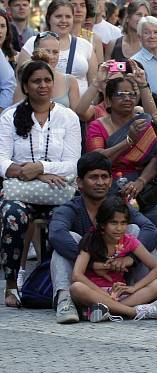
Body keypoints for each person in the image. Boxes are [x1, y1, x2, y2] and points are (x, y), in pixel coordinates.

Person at [84, 66, 157, 301]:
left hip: (143, 186)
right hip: (109, 187)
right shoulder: (98, 126)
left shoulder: (144, 123)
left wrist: (139, 181)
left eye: (131, 94)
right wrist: (128, 141)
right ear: (107, 99)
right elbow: (97, 160)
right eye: (120, 94)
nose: (127, 99)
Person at [0, 59, 82, 308]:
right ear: (25, 86)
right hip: (22, 191)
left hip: (58, 191)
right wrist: (36, 174)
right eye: (36, 81)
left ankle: (56, 284)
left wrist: (43, 168)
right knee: (12, 214)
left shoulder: (67, 117)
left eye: (47, 80)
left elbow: (73, 163)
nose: (43, 86)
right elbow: (2, 160)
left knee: (63, 221)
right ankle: (13, 284)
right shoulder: (10, 116)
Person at [49, 152, 157, 324]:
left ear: (110, 181)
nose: (100, 182)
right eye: (93, 177)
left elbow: (151, 230)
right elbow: (56, 234)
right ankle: (66, 301)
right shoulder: (70, 208)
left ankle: (112, 307)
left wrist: (130, 259)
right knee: (69, 238)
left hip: (122, 283)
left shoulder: (117, 207)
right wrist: (94, 262)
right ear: (80, 182)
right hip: (87, 282)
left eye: (104, 177)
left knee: (134, 229)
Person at [69, 196, 157, 322]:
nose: (119, 228)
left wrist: (134, 288)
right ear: (103, 224)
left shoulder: (129, 241)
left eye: (123, 223)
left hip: (120, 293)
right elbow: (77, 275)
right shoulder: (91, 240)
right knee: (76, 287)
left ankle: (107, 311)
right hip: (95, 293)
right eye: (114, 223)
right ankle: (133, 311)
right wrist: (103, 295)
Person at [18, 0, 97, 94]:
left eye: (68, 17)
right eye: (58, 16)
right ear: (48, 18)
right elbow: (21, 82)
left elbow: (94, 84)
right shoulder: (33, 42)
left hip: (80, 107)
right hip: (43, 105)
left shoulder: (86, 46)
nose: (63, 20)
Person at [14, 33, 80, 111]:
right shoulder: (26, 78)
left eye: (55, 52)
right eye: (47, 52)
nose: (51, 56)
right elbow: (16, 110)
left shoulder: (70, 81)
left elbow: (75, 116)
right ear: (36, 52)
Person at [68, 0, 104, 67]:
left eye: (82, 5)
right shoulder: (58, 36)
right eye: (74, 5)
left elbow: (100, 71)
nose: (79, 10)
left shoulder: (95, 39)